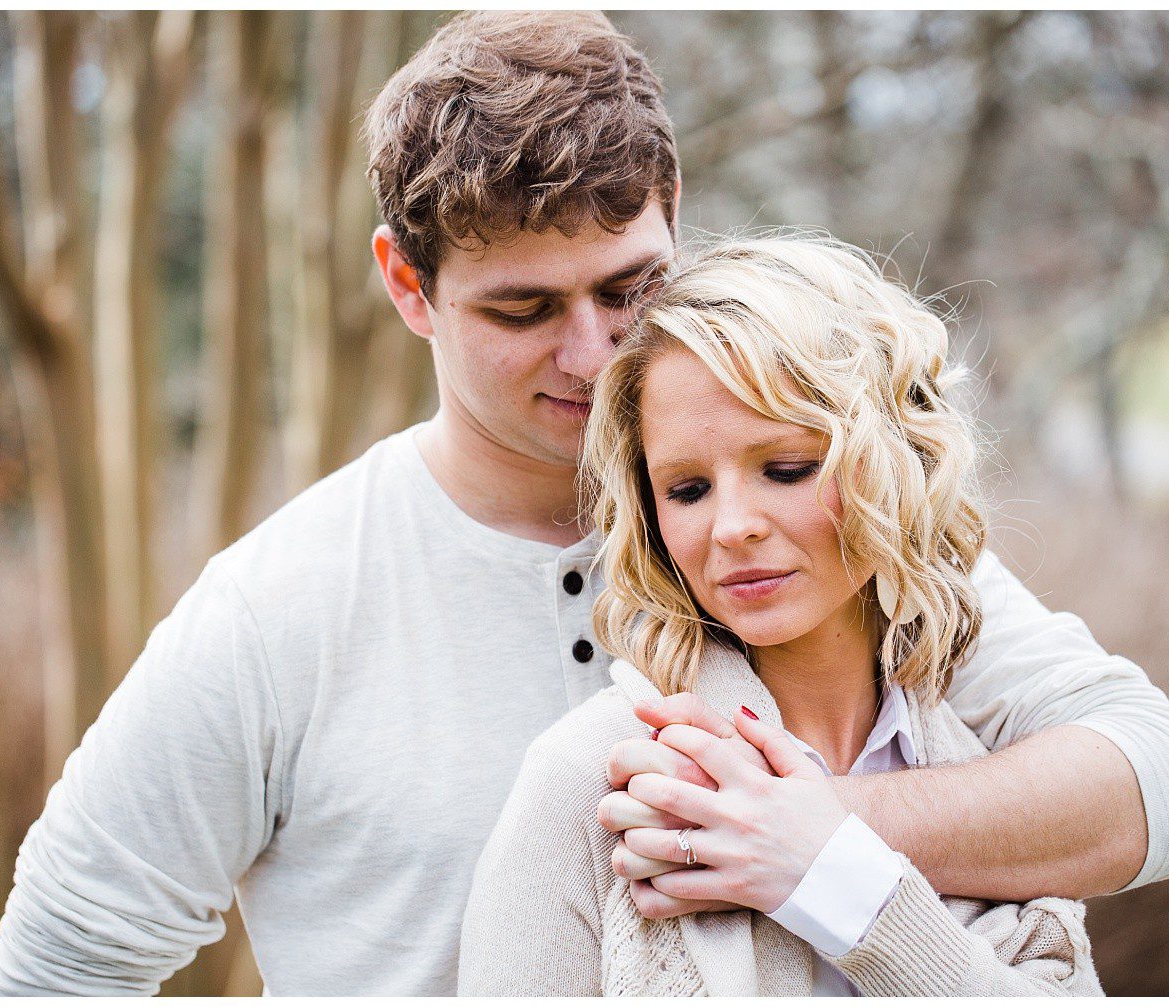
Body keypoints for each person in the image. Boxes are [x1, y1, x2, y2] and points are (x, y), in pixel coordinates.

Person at [0, 12, 1169, 996]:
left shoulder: (825, 541)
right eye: (523, 311)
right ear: (406, 284)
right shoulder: (285, 604)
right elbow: (56, 965)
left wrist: (811, 832)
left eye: (630, 286)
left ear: (674, 217)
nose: (593, 354)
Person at [459, 235, 1106, 995]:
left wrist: (840, 881)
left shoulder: (989, 773)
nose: (732, 526)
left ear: (893, 465)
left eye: (787, 469)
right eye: (687, 489)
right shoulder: (592, 783)